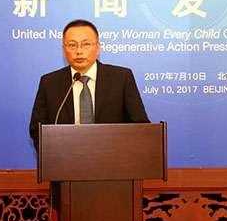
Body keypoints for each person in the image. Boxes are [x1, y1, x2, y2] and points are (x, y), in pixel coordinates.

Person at [29, 19, 149, 149]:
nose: (79, 51)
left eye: (86, 44)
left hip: (113, 156)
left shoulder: (121, 78)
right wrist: (55, 154)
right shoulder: (49, 83)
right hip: (65, 157)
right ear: (64, 50)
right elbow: (37, 131)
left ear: (98, 48)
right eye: (72, 45)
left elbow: (140, 126)